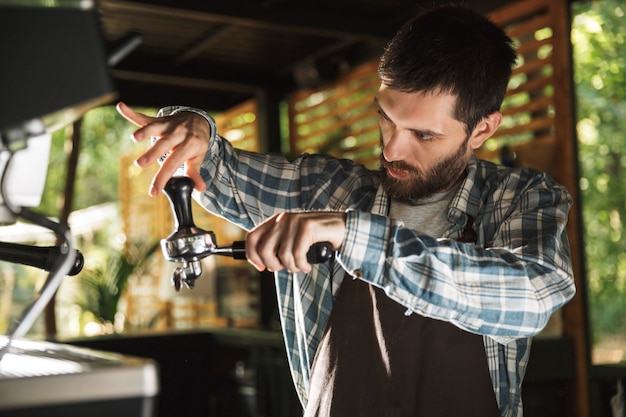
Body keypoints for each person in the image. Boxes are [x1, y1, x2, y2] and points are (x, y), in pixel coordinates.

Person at [117, 4, 576, 416]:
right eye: (386, 117)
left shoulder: (521, 198)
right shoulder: (322, 190)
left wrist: (353, 237)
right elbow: (216, 169)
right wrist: (194, 130)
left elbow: (530, 296)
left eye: (424, 135)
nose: (392, 148)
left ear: (481, 130)